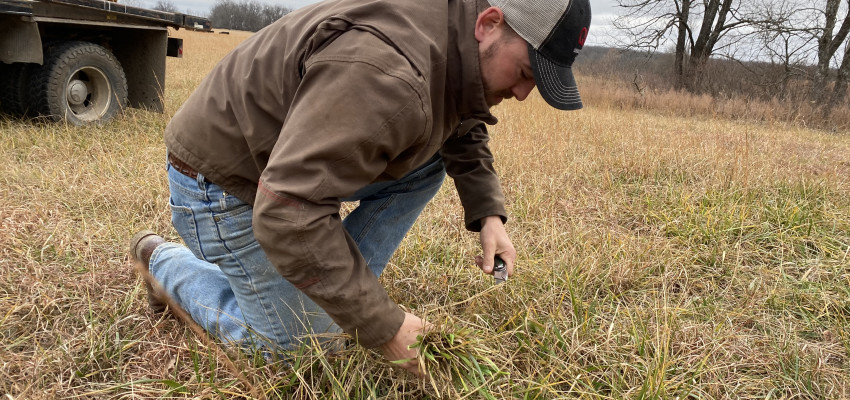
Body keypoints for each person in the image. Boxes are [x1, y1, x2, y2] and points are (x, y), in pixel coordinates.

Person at [129, 0, 591, 376]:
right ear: (491, 23)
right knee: (302, 349)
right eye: (527, 73)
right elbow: (288, 209)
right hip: (221, 184)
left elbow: (462, 121)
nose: (523, 94)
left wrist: (489, 214)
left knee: (425, 164)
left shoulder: (456, 30)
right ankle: (162, 261)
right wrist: (385, 328)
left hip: (283, 168)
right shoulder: (389, 73)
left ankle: (331, 288)